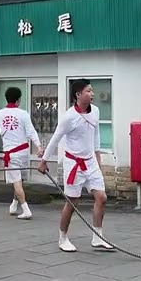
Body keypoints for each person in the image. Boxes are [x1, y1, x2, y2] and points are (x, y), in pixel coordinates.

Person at [40, 79, 115, 252]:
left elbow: (95, 137)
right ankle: (63, 237)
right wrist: (44, 161)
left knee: (101, 197)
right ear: (78, 94)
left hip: (90, 162)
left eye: (92, 90)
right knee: (72, 201)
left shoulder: (95, 111)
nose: (92, 94)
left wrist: (98, 159)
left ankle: (98, 237)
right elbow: (56, 138)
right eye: (88, 91)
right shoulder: (69, 117)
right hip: (73, 163)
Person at [0, 86, 40, 220]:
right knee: (19, 180)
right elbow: (31, 131)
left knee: (16, 182)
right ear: (18, 100)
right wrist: (39, 147)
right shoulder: (23, 114)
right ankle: (14, 204)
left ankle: (25, 209)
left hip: (11, 154)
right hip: (24, 152)